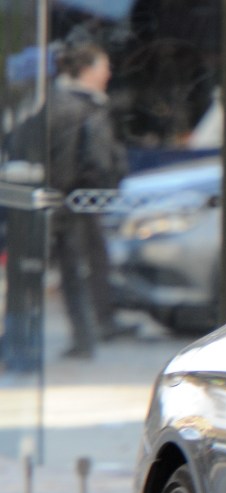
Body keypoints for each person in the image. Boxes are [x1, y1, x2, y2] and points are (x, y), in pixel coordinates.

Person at [48, 38, 132, 358]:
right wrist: (90, 190)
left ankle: (96, 328)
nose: (109, 72)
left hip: (77, 201)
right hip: (76, 202)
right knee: (80, 267)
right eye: (104, 65)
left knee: (85, 265)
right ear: (88, 70)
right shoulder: (76, 106)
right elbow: (86, 159)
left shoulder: (75, 103)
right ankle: (90, 333)